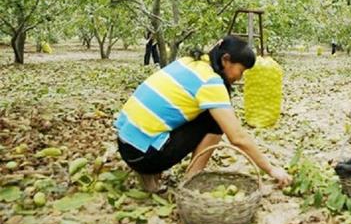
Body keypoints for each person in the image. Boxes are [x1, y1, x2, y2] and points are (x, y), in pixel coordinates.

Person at [115, 35, 292, 192]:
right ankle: (190, 180)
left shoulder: (189, 62)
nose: (240, 77)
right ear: (226, 60)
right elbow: (237, 137)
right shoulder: (211, 82)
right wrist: (271, 169)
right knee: (215, 122)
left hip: (127, 145)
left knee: (203, 113)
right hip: (144, 156)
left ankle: (148, 175)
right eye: (241, 70)